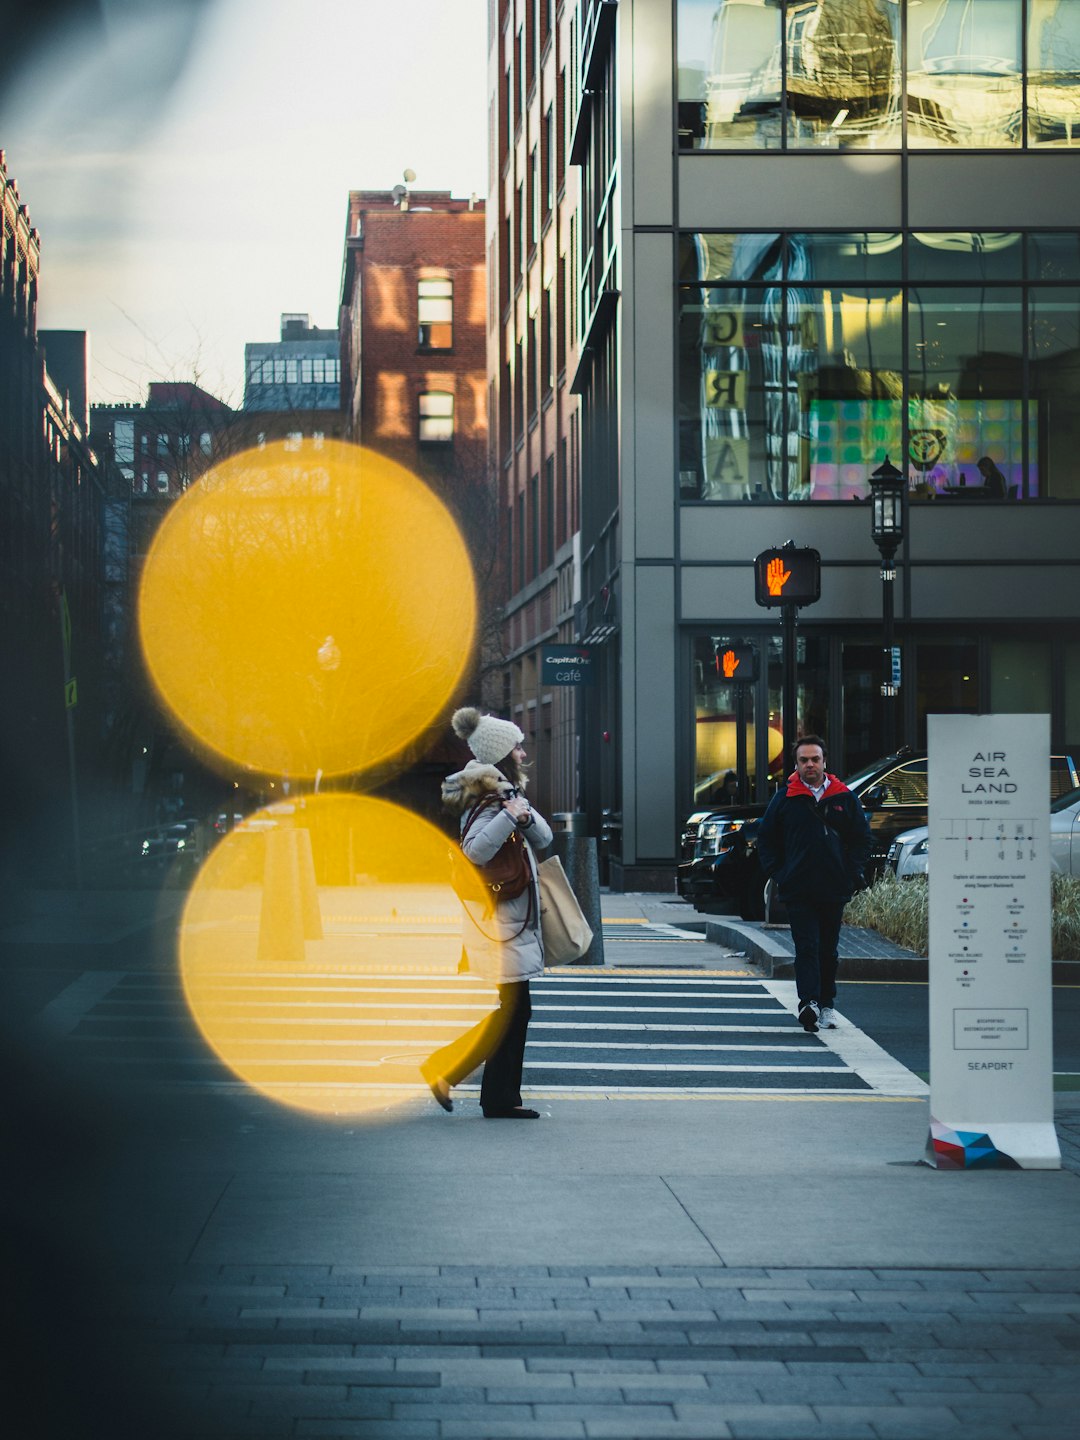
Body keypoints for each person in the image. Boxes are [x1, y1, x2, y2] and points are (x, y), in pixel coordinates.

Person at [421, 706, 553, 1119]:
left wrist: (523, 815)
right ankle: (457, 1074)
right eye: (516, 747)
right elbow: (475, 851)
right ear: (499, 755)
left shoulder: (508, 795)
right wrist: (509, 819)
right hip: (501, 921)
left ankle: (487, 1091)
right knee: (514, 1010)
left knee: (513, 1011)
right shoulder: (488, 799)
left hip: (512, 920)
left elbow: (545, 837)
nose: (522, 752)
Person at [756, 735, 872, 1033]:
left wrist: (852, 873)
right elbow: (766, 840)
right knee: (806, 947)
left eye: (815, 759)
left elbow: (861, 839)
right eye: (804, 760)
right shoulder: (785, 798)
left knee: (828, 950)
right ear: (796, 764)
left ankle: (827, 1005)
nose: (810, 764)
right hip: (799, 888)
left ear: (824, 762)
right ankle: (808, 1002)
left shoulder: (843, 797)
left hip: (834, 887)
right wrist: (780, 874)